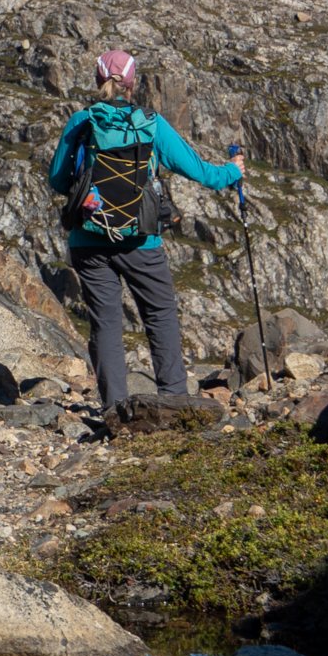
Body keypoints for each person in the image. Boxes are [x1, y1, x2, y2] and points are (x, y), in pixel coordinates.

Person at [46, 49, 241, 413]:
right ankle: (175, 401)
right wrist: (233, 171)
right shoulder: (150, 124)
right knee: (159, 313)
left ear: (98, 81)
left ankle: (114, 410)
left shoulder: (81, 122)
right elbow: (201, 173)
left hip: (89, 238)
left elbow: (58, 180)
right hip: (141, 238)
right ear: (133, 84)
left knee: (106, 323)